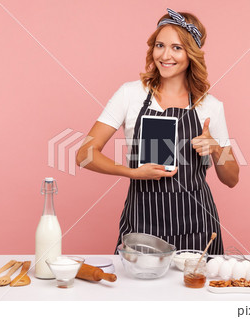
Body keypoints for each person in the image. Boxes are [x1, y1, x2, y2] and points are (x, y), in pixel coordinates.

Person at [76, 8, 239, 255]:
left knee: (195, 293)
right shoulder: (130, 94)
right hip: (142, 224)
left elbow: (232, 179)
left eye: (177, 47)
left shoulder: (210, 106)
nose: (165, 55)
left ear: (191, 54)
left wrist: (216, 149)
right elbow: (84, 154)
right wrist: (132, 172)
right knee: (138, 292)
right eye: (160, 45)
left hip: (198, 227)